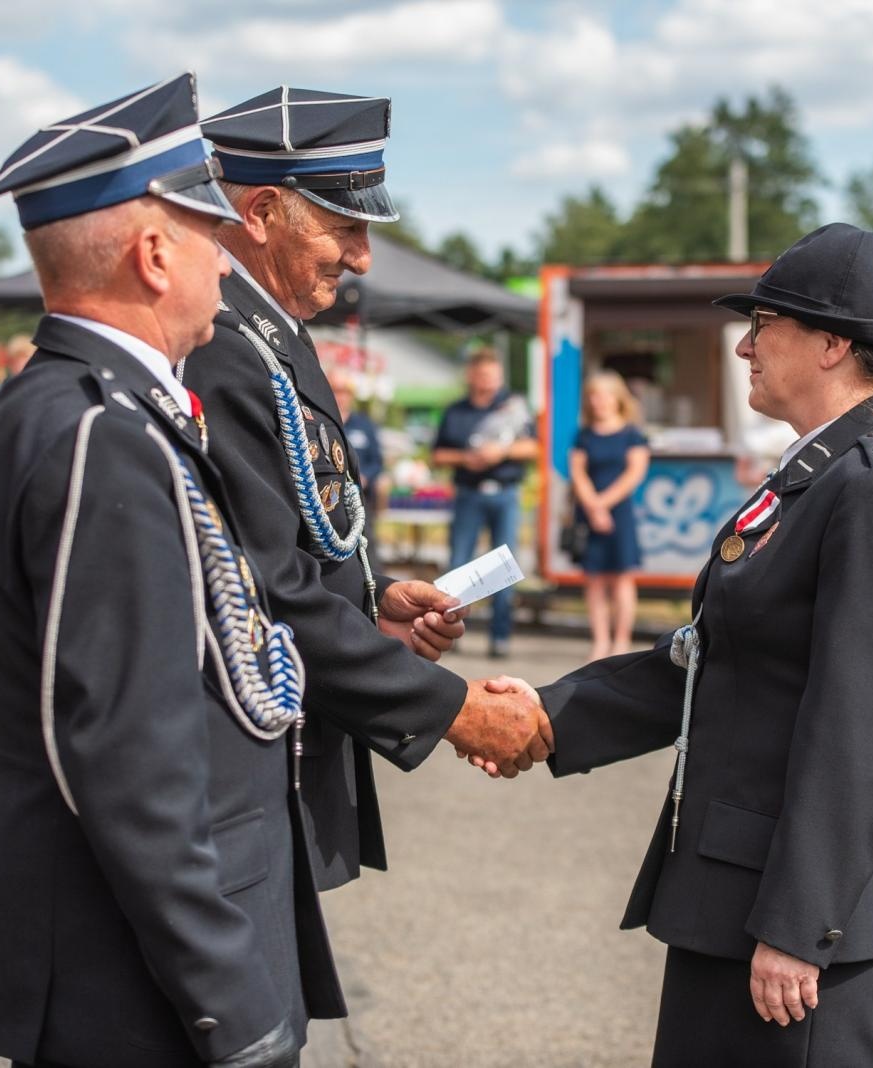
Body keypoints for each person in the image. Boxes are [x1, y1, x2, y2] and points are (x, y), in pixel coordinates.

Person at [470, 224, 873, 1066]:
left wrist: (797, 927)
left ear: (831, 344)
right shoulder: (819, 474)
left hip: (793, 928)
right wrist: (551, 715)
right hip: (731, 896)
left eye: (764, 325)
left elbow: (865, 735)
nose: (745, 346)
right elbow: (716, 657)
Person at [0, 73, 340, 1067]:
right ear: (155, 253)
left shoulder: (83, 410)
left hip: (135, 964)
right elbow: (129, 760)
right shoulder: (101, 433)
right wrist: (232, 1004)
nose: (226, 258)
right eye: (212, 233)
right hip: (138, 986)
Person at [183, 87, 551, 896]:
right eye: (344, 228)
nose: (361, 258)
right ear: (263, 213)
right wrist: (453, 710)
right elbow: (263, 589)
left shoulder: (269, 334)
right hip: (241, 762)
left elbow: (293, 530)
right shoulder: (223, 347)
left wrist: (372, 597)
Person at [432, 347, 538, 658]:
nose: (489, 381)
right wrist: (466, 458)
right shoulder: (456, 411)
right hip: (469, 493)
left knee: (504, 567)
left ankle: (500, 636)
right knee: (458, 565)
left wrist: (500, 453)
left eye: (493, 375)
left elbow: (534, 448)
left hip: (505, 493)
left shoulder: (514, 407)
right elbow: (438, 454)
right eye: (482, 375)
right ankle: (450, 631)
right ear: (471, 376)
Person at [571, 370, 650, 660]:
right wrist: (593, 506)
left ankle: (621, 640)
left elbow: (634, 474)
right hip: (589, 513)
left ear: (618, 399)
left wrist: (602, 504)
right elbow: (578, 474)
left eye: (604, 395)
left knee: (622, 579)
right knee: (594, 580)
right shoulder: (584, 435)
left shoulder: (632, 434)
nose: (598, 402)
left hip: (620, 513)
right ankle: (600, 641)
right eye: (593, 396)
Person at [329, 366, 385, 520]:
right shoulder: (320, 424)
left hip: (361, 499)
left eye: (344, 391)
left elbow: (377, 461)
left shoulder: (364, 425)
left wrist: (364, 477)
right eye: (335, 390)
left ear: (351, 394)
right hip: (330, 499)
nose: (340, 396)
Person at [0, 333, 36, 417]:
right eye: (17, 359)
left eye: (25, 358)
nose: (21, 364)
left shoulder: (40, 393)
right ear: (10, 362)